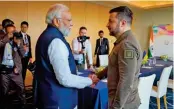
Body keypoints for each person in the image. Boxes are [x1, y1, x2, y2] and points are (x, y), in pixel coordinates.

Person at [35, 4, 99, 109]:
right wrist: (89, 81)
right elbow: (65, 79)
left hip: (50, 97)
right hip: (59, 101)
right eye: (69, 20)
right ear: (56, 21)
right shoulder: (56, 41)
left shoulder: (46, 35)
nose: (72, 24)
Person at [97, 6, 142, 109]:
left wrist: (116, 107)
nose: (107, 25)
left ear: (122, 23)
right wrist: (98, 76)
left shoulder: (126, 44)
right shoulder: (123, 41)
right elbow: (115, 65)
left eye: (111, 21)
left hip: (124, 105)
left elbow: (126, 80)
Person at [0, 32, 26, 109]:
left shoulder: (19, 44)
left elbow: (23, 54)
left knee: (21, 88)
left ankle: (23, 103)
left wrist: (19, 46)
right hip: (4, 71)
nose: (17, 40)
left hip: (15, 71)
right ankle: (4, 104)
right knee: (4, 89)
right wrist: (6, 38)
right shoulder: (4, 42)